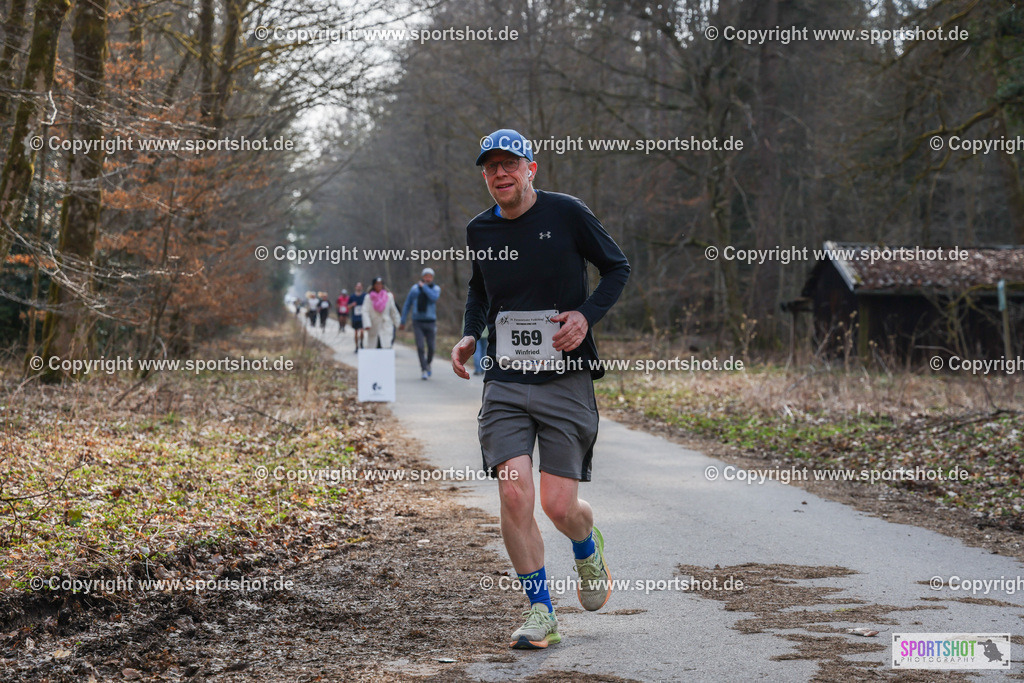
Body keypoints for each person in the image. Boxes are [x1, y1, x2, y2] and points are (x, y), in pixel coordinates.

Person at [451, 129, 629, 650]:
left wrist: (585, 315)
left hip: (564, 377)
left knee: (557, 505)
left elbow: (616, 267)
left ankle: (585, 542)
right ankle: (540, 611)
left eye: (510, 164)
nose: (500, 174)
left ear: (532, 167)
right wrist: (469, 332)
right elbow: (480, 287)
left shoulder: (567, 213)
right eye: (491, 168)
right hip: (505, 377)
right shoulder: (479, 230)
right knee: (513, 491)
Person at [400, 267, 442, 380]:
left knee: (432, 347)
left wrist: (425, 287)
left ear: (432, 278)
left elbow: (433, 298)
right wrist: (402, 320)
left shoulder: (436, 289)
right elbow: (407, 304)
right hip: (417, 321)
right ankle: (423, 369)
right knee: (420, 346)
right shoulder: (414, 289)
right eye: (426, 276)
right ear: (422, 277)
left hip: (431, 322)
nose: (428, 278)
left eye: (430, 276)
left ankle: (428, 364)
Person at [363, 277, 401, 349]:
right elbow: (365, 311)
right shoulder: (368, 298)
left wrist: (398, 323)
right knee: (374, 346)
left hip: (385, 325)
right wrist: (367, 324)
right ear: (373, 285)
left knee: (386, 346)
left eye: (380, 284)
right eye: (377, 284)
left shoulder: (389, 297)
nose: (378, 286)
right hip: (373, 325)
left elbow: (393, 311)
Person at [348, 282, 366, 352]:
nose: (359, 288)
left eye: (360, 286)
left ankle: (361, 343)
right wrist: (352, 304)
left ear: (362, 287)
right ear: (355, 287)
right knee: (355, 332)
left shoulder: (365, 296)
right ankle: (356, 346)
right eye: (357, 286)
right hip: (355, 317)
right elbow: (348, 306)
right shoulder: (352, 297)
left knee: (362, 331)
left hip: (362, 316)